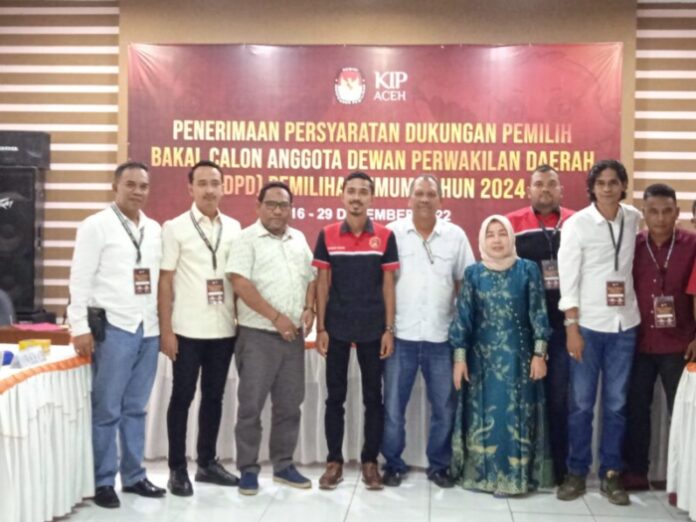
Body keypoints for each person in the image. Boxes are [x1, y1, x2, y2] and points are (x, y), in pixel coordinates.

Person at [68, 162, 165, 508]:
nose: (138, 191)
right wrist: (79, 327)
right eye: (131, 184)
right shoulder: (95, 225)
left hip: (148, 328)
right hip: (113, 328)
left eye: (143, 186)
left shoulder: (154, 228)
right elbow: (79, 279)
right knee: (107, 409)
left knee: (136, 408)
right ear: (115, 186)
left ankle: (135, 475)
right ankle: (103, 481)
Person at [556, 159, 641, 506]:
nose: (607, 188)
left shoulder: (633, 218)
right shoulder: (576, 224)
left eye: (613, 182)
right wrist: (571, 327)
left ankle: (610, 474)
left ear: (622, 186)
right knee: (581, 405)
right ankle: (576, 472)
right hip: (588, 327)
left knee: (617, 405)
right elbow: (568, 278)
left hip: (625, 325)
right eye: (601, 183)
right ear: (591, 188)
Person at [381, 174, 475, 488]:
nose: (424, 199)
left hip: (442, 338)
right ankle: (393, 464)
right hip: (401, 336)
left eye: (430, 194)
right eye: (419, 193)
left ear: (440, 200)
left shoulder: (455, 236)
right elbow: (383, 284)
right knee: (393, 409)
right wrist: (386, 328)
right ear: (409, 199)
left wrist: (464, 334)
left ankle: (439, 466)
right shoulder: (393, 233)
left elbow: (464, 286)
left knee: (445, 409)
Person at [449, 215, 552, 496]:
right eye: (490, 234)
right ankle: (482, 477)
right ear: (482, 239)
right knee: (484, 418)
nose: (496, 240)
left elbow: (539, 314)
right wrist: (459, 359)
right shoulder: (473, 274)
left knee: (514, 418)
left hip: (519, 360)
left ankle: (513, 479)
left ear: (511, 238)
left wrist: (539, 354)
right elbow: (463, 319)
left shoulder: (527, 270)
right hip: (480, 362)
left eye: (502, 233)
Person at [227, 181, 317, 496]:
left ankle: (283, 465)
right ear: (259, 206)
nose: (278, 210)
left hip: (292, 338)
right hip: (257, 336)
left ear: (291, 208)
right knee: (250, 406)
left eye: (284, 205)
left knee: (290, 405)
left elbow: (312, 277)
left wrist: (309, 307)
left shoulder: (298, 239)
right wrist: (276, 317)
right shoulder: (246, 239)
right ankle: (248, 469)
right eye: (271, 204)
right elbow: (240, 283)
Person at [158, 160, 241, 496]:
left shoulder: (234, 227)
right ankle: (177, 468)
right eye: (202, 183)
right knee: (182, 397)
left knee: (214, 397)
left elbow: (237, 279)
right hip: (186, 330)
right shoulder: (174, 227)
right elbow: (165, 281)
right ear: (190, 188)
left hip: (223, 329)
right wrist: (166, 330)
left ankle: (207, 463)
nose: (209, 190)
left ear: (223, 187)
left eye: (215, 183)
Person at [313, 171, 399, 491]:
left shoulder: (386, 237)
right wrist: (321, 327)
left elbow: (388, 286)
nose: (357, 197)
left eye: (363, 192)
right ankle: (333, 462)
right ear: (342, 195)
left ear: (371, 198)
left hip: (373, 328)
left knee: (373, 398)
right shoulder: (327, 234)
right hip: (336, 327)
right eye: (351, 191)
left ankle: (369, 462)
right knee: (334, 398)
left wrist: (388, 328)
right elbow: (322, 283)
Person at [622, 184, 696, 490]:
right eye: (653, 211)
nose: (661, 218)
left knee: (682, 413)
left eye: (667, 211)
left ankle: (681, 479)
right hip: (639, 341)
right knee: (637, 409)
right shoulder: (633, 245)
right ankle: (636, 473)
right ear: (644, 214)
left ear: (677, 213)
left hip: (681, 344)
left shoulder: (692, 245)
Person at [506, 164, 575, 483]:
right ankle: (522, 466)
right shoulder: (512, 224)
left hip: (563, 327)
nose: (545, 189)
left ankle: (558, 469)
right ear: (528, 190)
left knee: (559, 401)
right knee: (522, 400)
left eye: (551, 184)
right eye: (538, 184)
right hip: (523, 329)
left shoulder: (575, 222)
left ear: (561, 190)